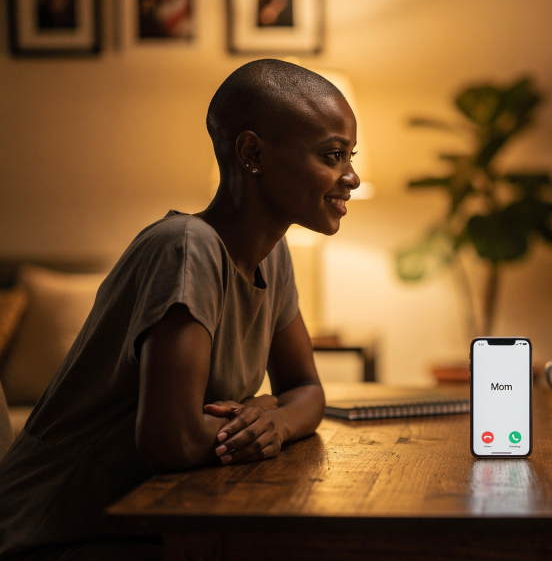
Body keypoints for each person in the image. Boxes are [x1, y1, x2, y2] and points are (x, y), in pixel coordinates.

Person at [0, 59, 359, 560]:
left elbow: (306, 392)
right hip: (54, 535)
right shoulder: (187, 249)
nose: (353, 177)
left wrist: (274, 420)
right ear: (252, 153)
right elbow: (172, 438)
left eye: (350, 156)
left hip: (146, 522)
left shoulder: (273, 258)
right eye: (333, 155)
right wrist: (264, 413)